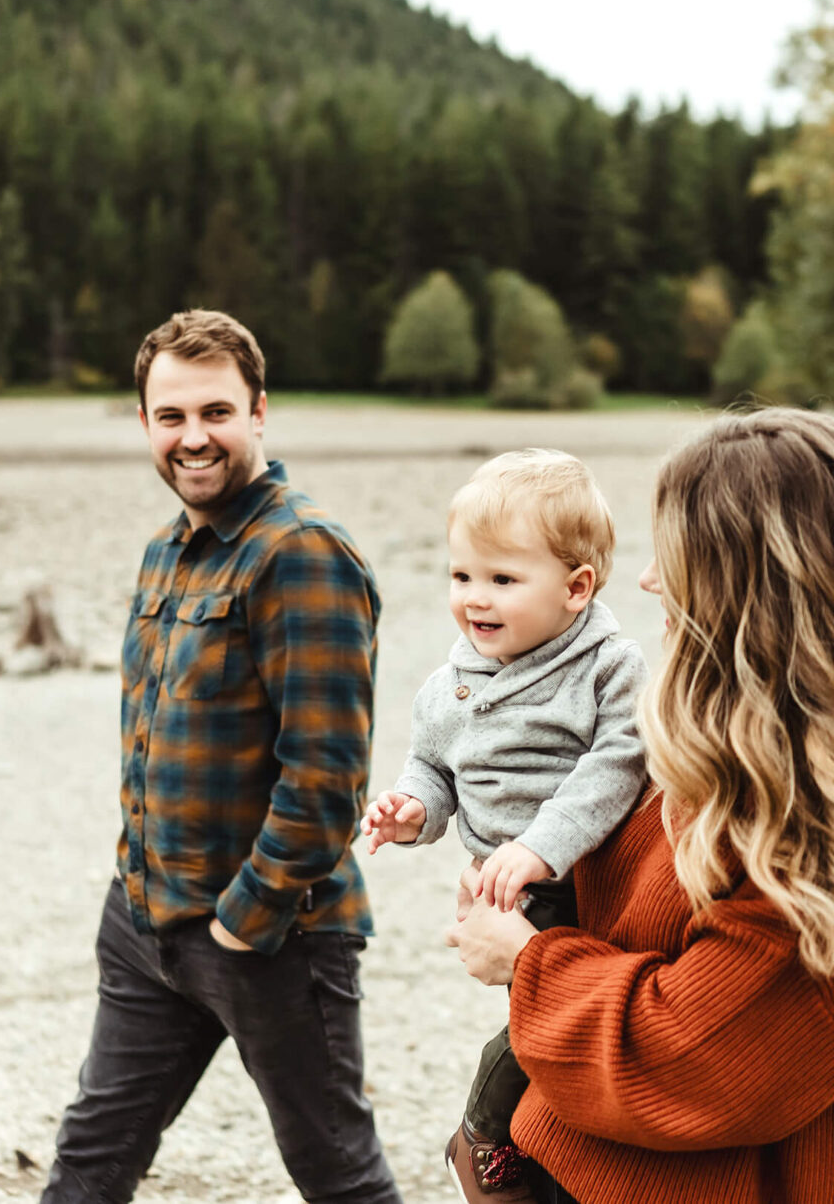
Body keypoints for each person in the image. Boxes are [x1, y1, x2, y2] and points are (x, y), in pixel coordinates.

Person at [444, 406, 834, 1203]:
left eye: (678, 555)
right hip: (570, 1153)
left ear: (750, 582)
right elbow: (643, 915)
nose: (649, 579)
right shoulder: (715, 733)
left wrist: (526, 961)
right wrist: (527, 875)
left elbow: (699, 1056)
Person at [41, 309, 401, 1204]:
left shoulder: (301, 552)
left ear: (259, 413)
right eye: (172, 417)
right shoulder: (168, 550)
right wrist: (136, 889)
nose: (193, 437)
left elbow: (325, 777)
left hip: (271, 939)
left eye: (215, 411)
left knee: (339, 1175)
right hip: (146, 924)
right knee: (91, 1158)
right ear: (145, 425)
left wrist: (243, 921)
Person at [357, 450, 647, 1200]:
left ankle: (482, 1131)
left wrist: (536, 847)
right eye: (462, 576)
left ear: (577, 587)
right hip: (508, 891)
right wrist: (411, 810)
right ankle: (516, 1142)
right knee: (548, 1026)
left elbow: (616, 763)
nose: (474, 599)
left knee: (553, 1027)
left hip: (587, 878)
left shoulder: (607, 667)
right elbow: (434, 768)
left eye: (503, 580)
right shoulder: (450, 682)